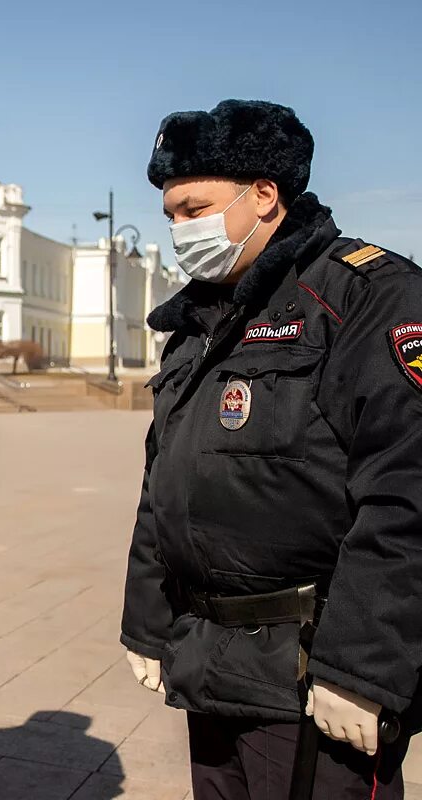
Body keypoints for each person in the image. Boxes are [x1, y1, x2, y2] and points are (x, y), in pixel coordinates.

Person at [121, 99, 422, 799]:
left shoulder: (369, 298)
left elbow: (407, 497)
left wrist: (362, 672)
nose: (179, 230)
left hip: (314, 675)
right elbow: (163, 480)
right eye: (169, 215)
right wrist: (147, 620)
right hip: (212, 662)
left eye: (194, 208)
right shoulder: (200, 318)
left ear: (264, 195)